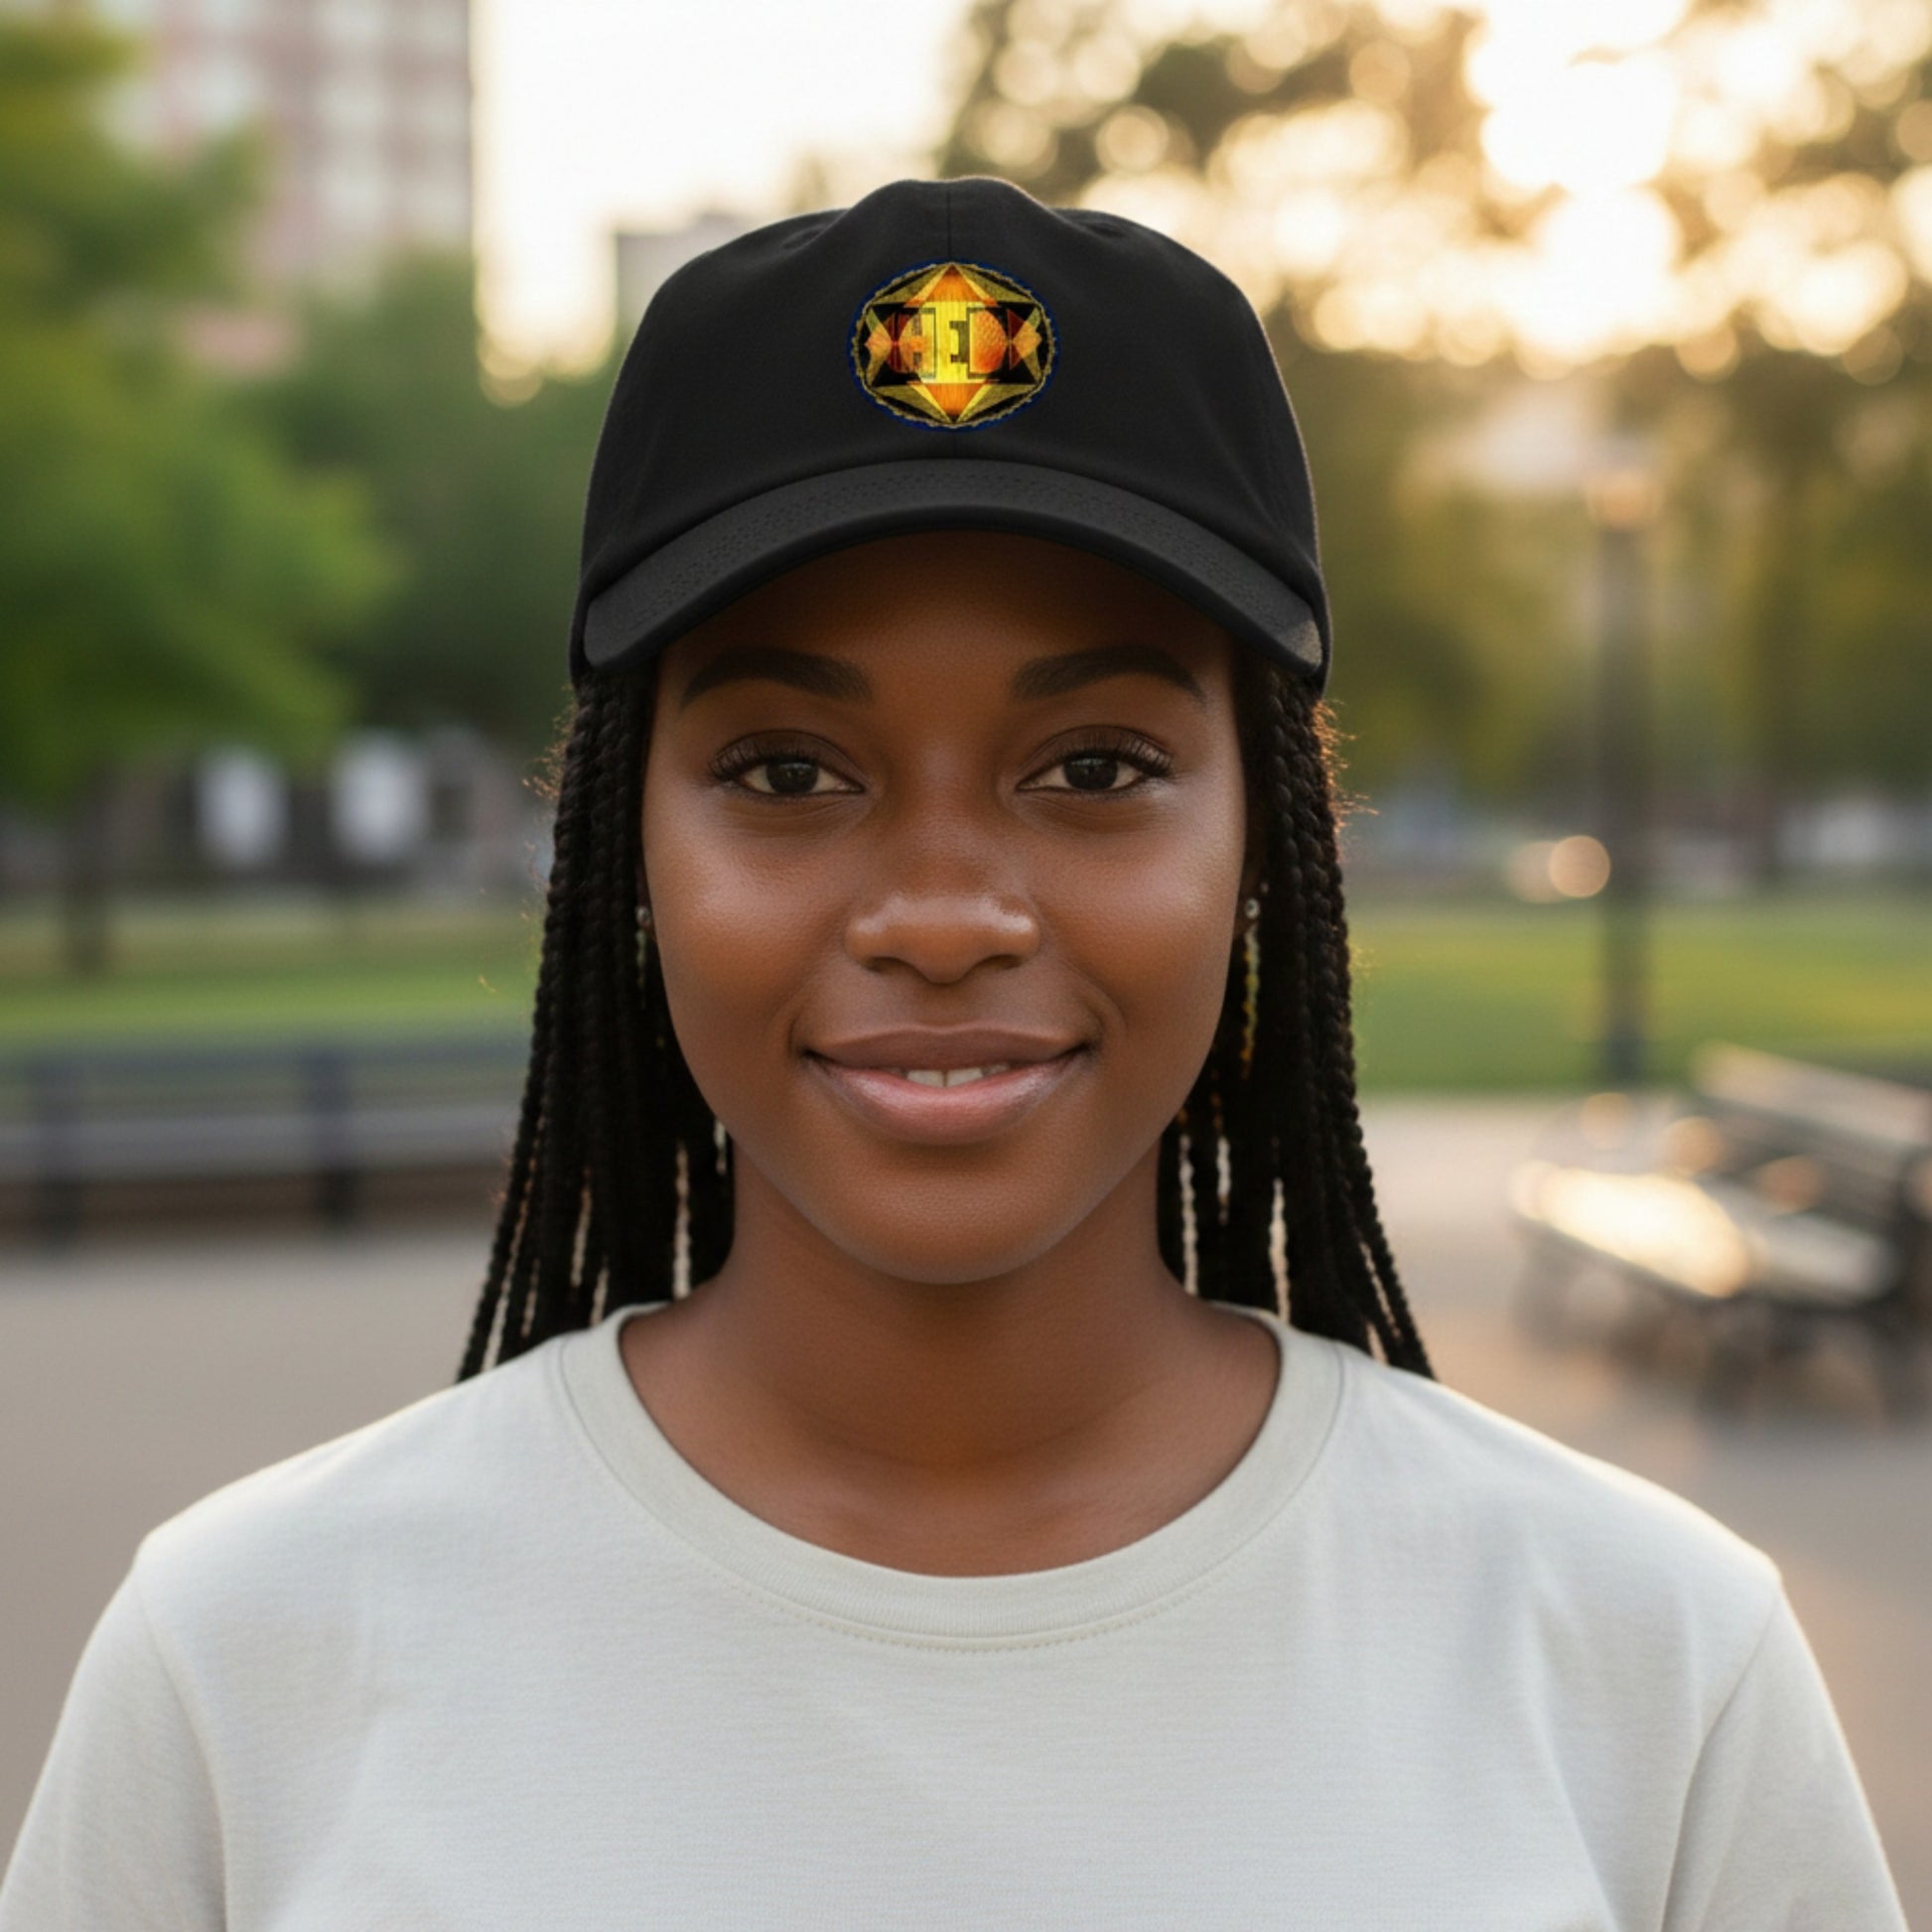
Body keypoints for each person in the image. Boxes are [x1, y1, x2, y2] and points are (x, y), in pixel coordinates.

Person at [1, 178, 1905, 1929]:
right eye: (784, 771)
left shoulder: (1646, 1663)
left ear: (1268, 839)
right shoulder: (247, 1659)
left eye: (1095, 767)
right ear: (618, 849)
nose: (939, 911)